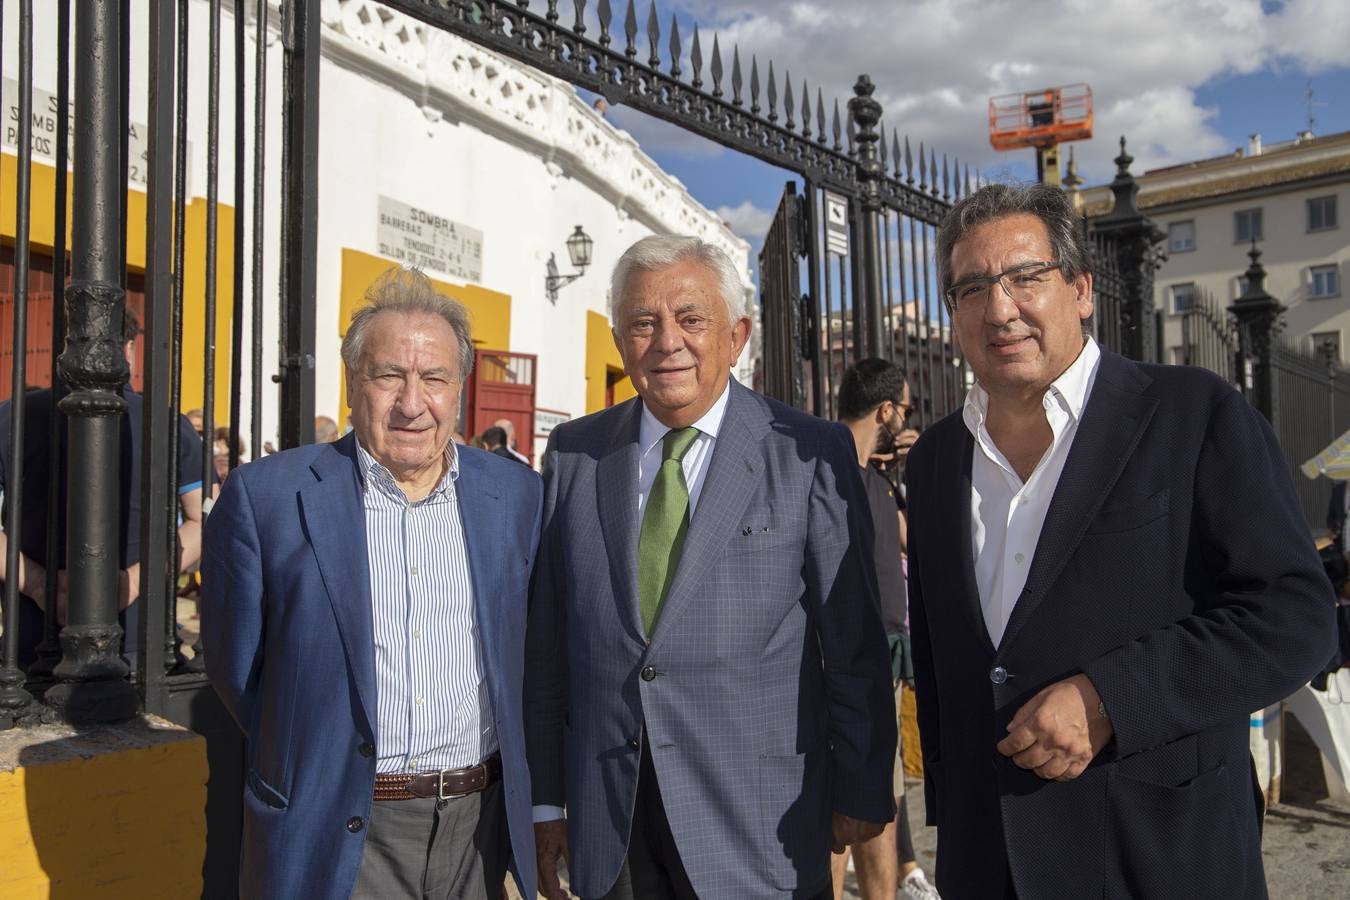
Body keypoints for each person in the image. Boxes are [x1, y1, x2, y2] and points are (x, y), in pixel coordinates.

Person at [904, 182, 1336, 899]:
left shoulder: (1196, 416)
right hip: (991, 864)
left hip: (1157, 855)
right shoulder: (936, 458)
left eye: (1025, 277)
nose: (1000, 308)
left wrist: (1110, 696)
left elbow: (1296, 618)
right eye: (972, 287)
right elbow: (947, 661)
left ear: (1079, 289)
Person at [526, 235, 896, 900]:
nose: (667, 341)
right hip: (612, 829)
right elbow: (550, 645)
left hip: (759, 828)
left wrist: (862, 787)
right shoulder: (576, 456)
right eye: (644, 322)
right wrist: (546, 800)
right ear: (618, 338)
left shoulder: (809, 453)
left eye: (692, 319)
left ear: (738, 336)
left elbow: (854, 644)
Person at [201, 267, 543, 899]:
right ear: (355, 383)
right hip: (333, 829)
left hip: (479, 828)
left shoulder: (516, 497)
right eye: (390, 375)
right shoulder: (269, 498)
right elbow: (236, 671)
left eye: (434, 378)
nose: (412, 403)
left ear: (459, 388)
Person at [0, 311, 206, 667]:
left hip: (31, 638)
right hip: (140, 639)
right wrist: (133, 582)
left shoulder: (10, 416)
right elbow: (203, 520)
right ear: (130, 348)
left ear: (63, 348)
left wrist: (39, 585)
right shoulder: (166, 422)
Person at [833, 358, 939, 900]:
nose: (908, 419)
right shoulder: (826, 471)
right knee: (839, 810)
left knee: (882, 794)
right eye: (906, 407)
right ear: (887, 410)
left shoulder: (876, 480)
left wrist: (914, 473)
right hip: (839, 665)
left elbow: (916, 545)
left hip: (883, 662)